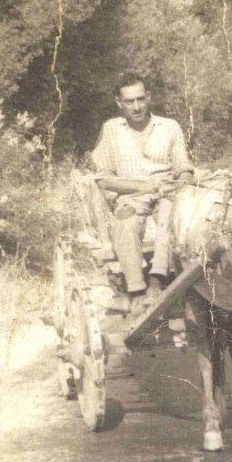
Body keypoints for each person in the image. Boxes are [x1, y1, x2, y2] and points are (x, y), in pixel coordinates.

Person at [90, 73, 195, 313]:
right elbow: (104, 180)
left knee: (171, 215)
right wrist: (143, 187)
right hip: (131, 195)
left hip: (167, 193)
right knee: (125, 222)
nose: (136, 107)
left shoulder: (169, 127)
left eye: (140, 99)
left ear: (149, 97)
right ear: (119, 103)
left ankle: (157, 282)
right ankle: (136, 290)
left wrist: (180, 184)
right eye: (129, 101)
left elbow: (184, 168)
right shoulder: (111, 130)